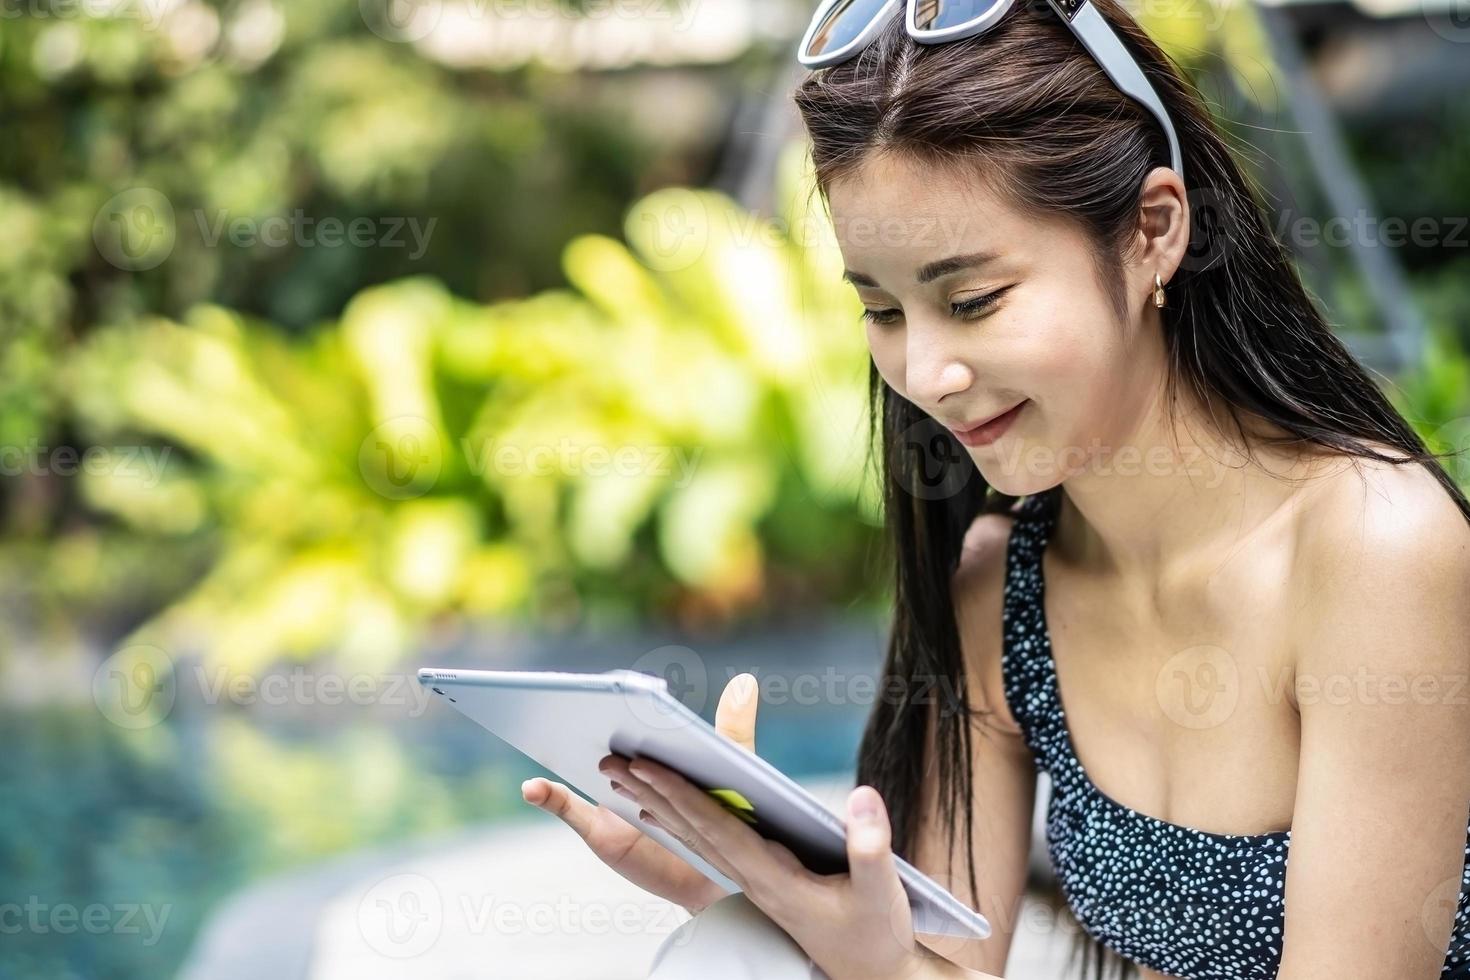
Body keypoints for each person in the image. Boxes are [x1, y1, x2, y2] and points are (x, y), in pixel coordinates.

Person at [522, 0, 1470, 976]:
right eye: (883, 308)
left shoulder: (1373, 547)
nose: (926, 371)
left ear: (1152, 232)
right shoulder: (1002, 590)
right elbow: (942, 963)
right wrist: (767, 896)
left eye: (972, 299)